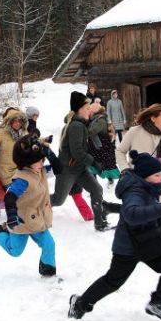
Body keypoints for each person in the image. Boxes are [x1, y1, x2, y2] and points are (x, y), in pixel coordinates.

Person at [68, 150, 161, 321]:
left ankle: (158, 302)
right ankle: (80, 303)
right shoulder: (134, 191)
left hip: (147, 243)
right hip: (128, 247)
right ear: (145, 176)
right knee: (113, 281)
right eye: (157, 175)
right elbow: (131, 214)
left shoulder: (149, 188)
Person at [0, 134, 56, 277]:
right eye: (38, 161)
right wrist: (11, 215)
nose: (41, 163)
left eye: (42, 160)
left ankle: (48, 272)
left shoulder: (40, 171)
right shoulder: (22, 180)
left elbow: (58, 168)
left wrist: (47, 152)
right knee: (15, 251)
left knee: (49, 244)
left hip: (36, 220)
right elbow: (9, 197)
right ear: (28, 163)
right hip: (20, 220)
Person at [51, 92, 109, 231]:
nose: (90, 110)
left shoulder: (80, 124)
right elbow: (77, 152)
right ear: (80, 109)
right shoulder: (76, 126)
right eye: (87, 107)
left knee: (97, 189)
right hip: (67, 170)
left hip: (79, 168)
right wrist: (94, 163)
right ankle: (35, 205)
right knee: (58, 200)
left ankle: (99, 222)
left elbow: (81, 149)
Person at [115, 103, 161, 204]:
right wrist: (125, 169)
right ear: (153, 118)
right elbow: (120, 151)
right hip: (135, 182)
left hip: (155, 183)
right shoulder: (135, 131)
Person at [0, 108, 29, 188]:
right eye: (15, 121)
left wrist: (43, 141)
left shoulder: (24, 133)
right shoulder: (2, 132)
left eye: (19, 121)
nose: (17, 124)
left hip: (20, 170)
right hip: (6, 172)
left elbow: (32, 141)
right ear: (10, 121)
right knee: (13, 196)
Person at [87, 102, 121, 185]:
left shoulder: (100, 120)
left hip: (103, 147)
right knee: (93, 165)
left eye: (90, 112)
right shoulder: (94, 120)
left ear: (94, 112)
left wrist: (84, 128)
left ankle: (110, 180)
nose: (89, 114)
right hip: (95, 147)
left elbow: (92, 131)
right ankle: (94, 183)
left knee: (106, 165)